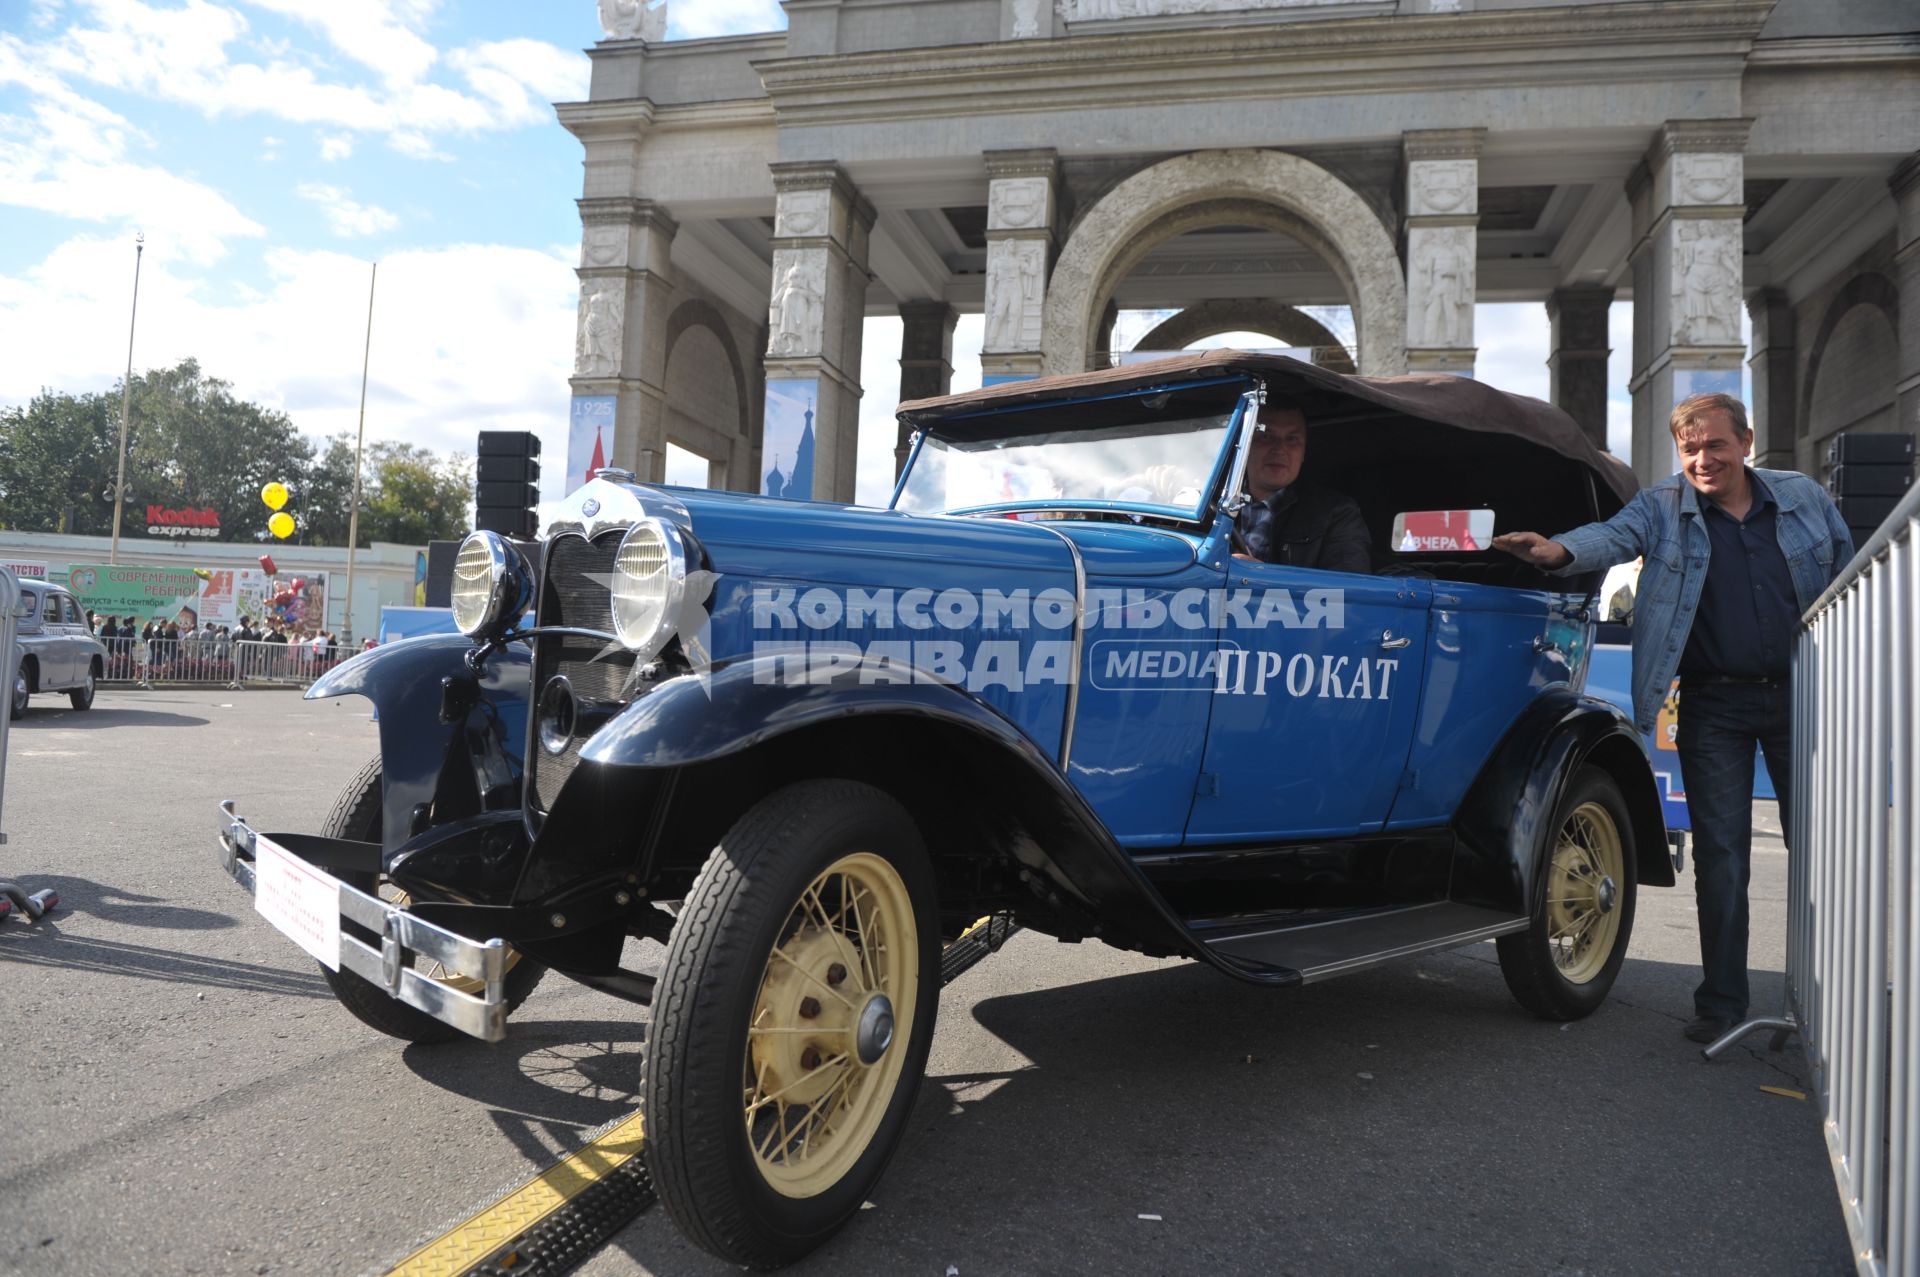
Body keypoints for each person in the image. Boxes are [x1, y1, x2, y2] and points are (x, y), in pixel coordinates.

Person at [1491, 392, 1853, 1045]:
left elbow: (1849, 577)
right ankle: (1721, 1004)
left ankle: (1828, 1004)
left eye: (1714, 445)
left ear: (1746, 442)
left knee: (1821, 855)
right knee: (1720, 857)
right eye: (1689, 449)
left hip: (1804, 696)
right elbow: (1611, 536)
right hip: (1713, 703)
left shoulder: (1802, 498)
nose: (1702, 459)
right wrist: (1555, 550)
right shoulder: (1662, 507)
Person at [1232, 401, 1371, 574]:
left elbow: (1350, 590)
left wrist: (1261, 577)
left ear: (1303, 452)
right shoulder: (1210, 505)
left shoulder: (1337, 513)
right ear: (1245, 444)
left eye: (1292, 439)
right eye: (1267, 436)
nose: (1280, 449)